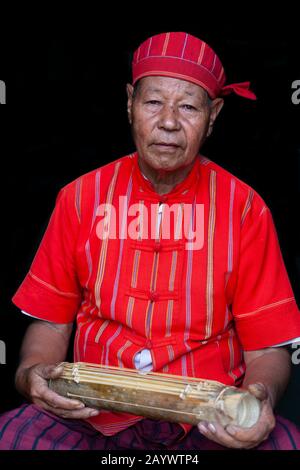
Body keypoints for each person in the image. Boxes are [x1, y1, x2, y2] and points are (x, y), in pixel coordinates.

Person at [1, 31, 300, 451]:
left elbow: (267, 348)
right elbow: (50, 321)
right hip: (92, 415)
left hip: (204, 423)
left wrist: (257, 401)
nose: (169, 122)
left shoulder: (245, 209)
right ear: (129, 103)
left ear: (213, 115)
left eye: (189, 106)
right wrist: (32, 373)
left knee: (285, 443)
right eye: (154, 102)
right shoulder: (79, 198)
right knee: (13, 437)